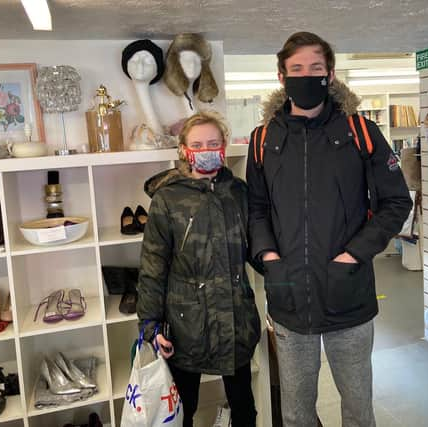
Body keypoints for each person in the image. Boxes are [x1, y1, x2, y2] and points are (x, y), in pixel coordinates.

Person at [247, 32, 412, 427]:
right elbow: (255, 209)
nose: (306, 76)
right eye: (296, 69)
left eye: (315, 69)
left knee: (357, 408)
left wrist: (353, 255)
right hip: (289, 297)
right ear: (282, 76)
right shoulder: (264, 139)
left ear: (331, 74)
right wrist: (270, 259)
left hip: (348, 295)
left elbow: (397, 202)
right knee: (296, 412)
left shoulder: (361, 132)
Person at [137, 111, 261, 427]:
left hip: (235, 320)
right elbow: (154, 264)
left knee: (244, 406)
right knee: (182, 409)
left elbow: (257, 249)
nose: (205, 149)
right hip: (185, 325)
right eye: (197, 143)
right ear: (183, 150)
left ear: (223, 146)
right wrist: (150, 324)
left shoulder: (239, 193)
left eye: (213, 142)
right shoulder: (167, 198)